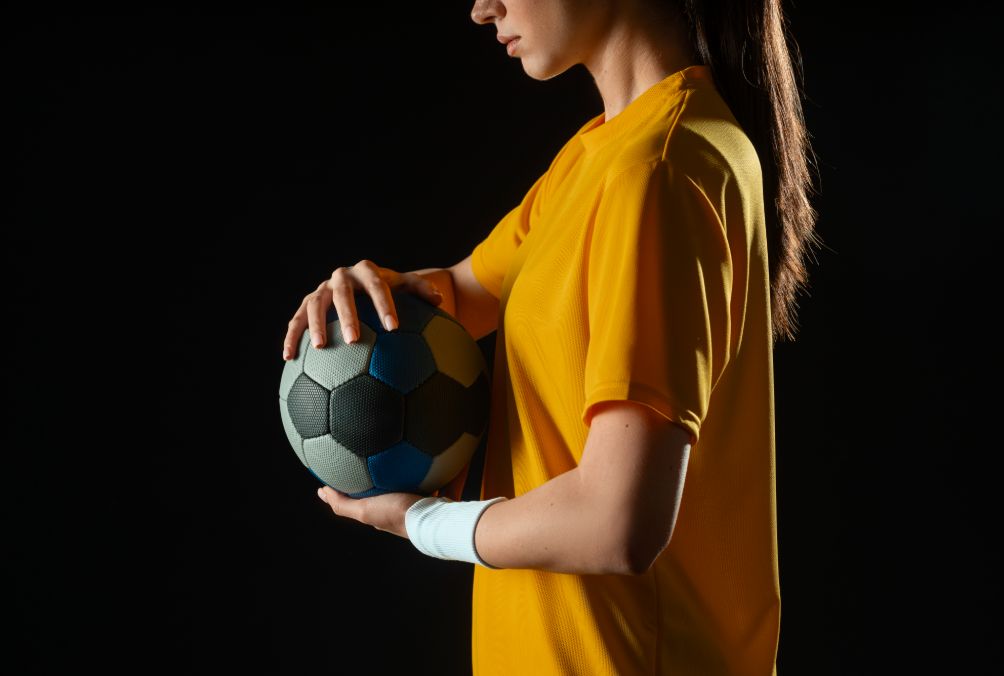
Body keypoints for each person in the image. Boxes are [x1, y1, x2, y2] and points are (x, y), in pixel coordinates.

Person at [283, 0, 821, 673]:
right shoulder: (602, 155)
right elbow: (458, 298)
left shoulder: (656, 169)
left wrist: (421, 524)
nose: (483, 9)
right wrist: (359, 295)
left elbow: (616, 522)